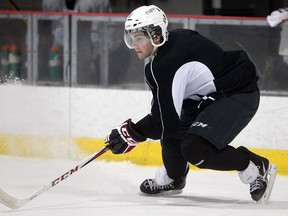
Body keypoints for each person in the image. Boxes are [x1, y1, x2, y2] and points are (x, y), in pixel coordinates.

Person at [105, 5, 277, 203]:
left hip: (238, 94)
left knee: (194, 148)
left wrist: (132, 132)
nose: (135, 45)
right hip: (211, 97)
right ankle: (174, 178)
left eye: (139, 38)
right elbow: (165, 117)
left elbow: (163, 121)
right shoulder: (175, 41)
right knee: (171, 135)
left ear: (157, 36)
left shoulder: (164, 63)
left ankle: (254, 166)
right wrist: (135, 131)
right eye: (131, 38)